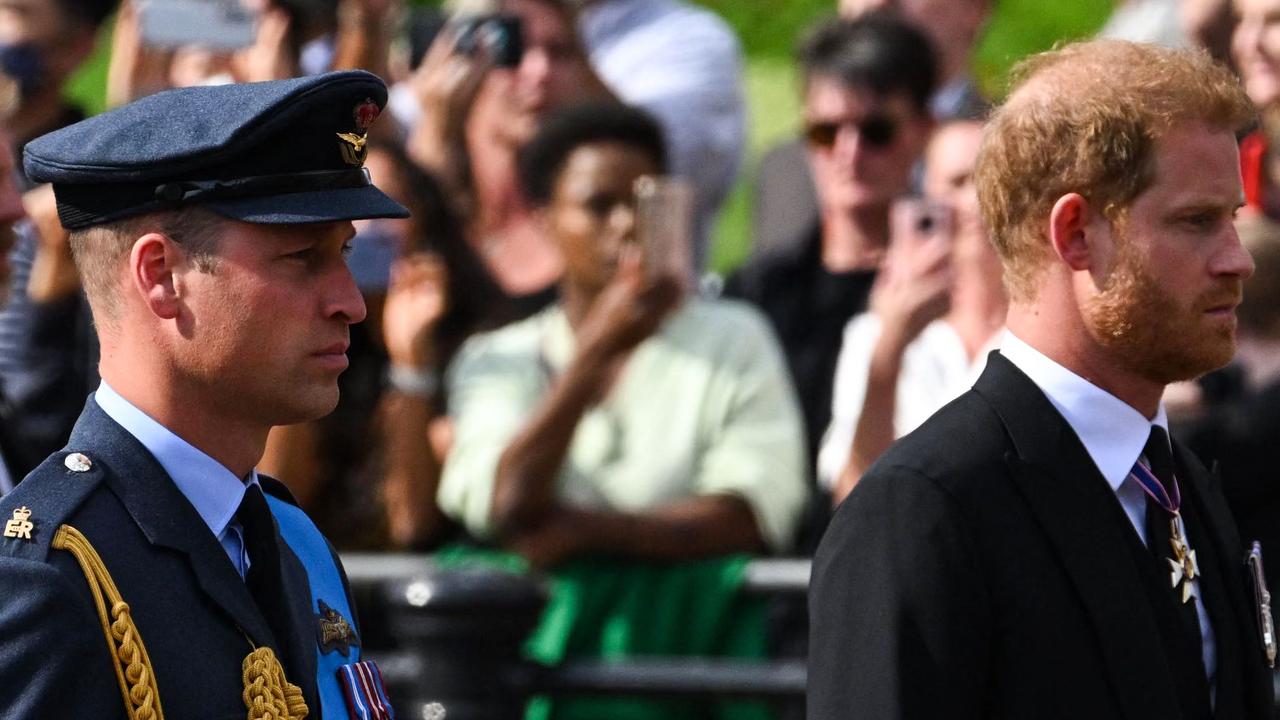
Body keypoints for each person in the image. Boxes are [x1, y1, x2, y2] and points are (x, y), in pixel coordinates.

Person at [809, 40, 1275, 718]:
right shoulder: (924, 511)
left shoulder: (1182, 485)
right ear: (1077, 234)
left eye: (1231, 219)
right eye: (1197, 221)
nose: (1238, 260)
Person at [0, 70, 407, 717]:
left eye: (346, 254)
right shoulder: (50, 579)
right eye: (302, 257)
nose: (351, 302)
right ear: (162, 276)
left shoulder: (292, 540)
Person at [439, 100, 806, 567]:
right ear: (544, 222)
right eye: (599, 205)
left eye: (642, 201)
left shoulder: (736, 338)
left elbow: (753, 517)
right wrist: (595, 352)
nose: (626, 223)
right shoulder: (496, 358)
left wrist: (587, 533)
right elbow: (506, 503)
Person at [726, 13, 936, 473]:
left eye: (875, 131)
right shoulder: (755, 293)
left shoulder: (950, 289)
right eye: (826, 132)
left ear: (923, 130)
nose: (849, 152)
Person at [817, 118, 1005, 505]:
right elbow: (853, 492)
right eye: (958, 182)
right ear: (925, 201)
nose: (977, 198)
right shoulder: (874, 334)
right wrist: (892, 346)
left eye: (992, 179)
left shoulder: (1048, 333)